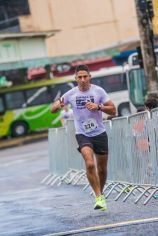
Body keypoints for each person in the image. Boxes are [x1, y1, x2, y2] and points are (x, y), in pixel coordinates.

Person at [51, 64, 116, 211]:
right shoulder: (71, 94)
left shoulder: (99, 91)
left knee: (102, 169)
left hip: (99, 133)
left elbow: (113, 110)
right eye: (79, 77)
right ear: (75, 79)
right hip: (82, 134)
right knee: (89, 163)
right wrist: (57, 106)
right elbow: (53, 109)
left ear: (90, 77)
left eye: (85, 76)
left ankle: (101, 192)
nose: (82, 79)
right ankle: (98, 196)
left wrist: (99, 107)